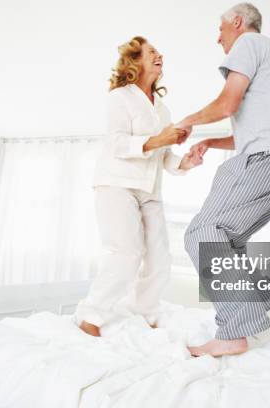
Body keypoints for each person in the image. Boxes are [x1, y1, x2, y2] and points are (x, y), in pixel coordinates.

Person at [177, 3, 270, 356]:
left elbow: (227, 103)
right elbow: (248, 129)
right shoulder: (269, 56)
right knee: (227, 240)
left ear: (237, 22)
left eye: (220, 28)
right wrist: (211, 141)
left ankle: (235, 331)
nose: (218, 37)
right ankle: (257, 301)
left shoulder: (249, 43)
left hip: (265, 159)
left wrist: (187, 122)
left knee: (202, 233)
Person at [76, 36, 202, 337]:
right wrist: (162, 139)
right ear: (135, 61)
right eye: (152, 52)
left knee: (160, 256)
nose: (160, 55)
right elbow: (117, 143)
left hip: (150, 190)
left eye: (160, 51)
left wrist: (185, 162)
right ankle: (91, 316)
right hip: (116, 185)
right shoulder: (119, 97)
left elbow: (163, 156)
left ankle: (144, 310)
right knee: (126, 253)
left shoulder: (163, 109)